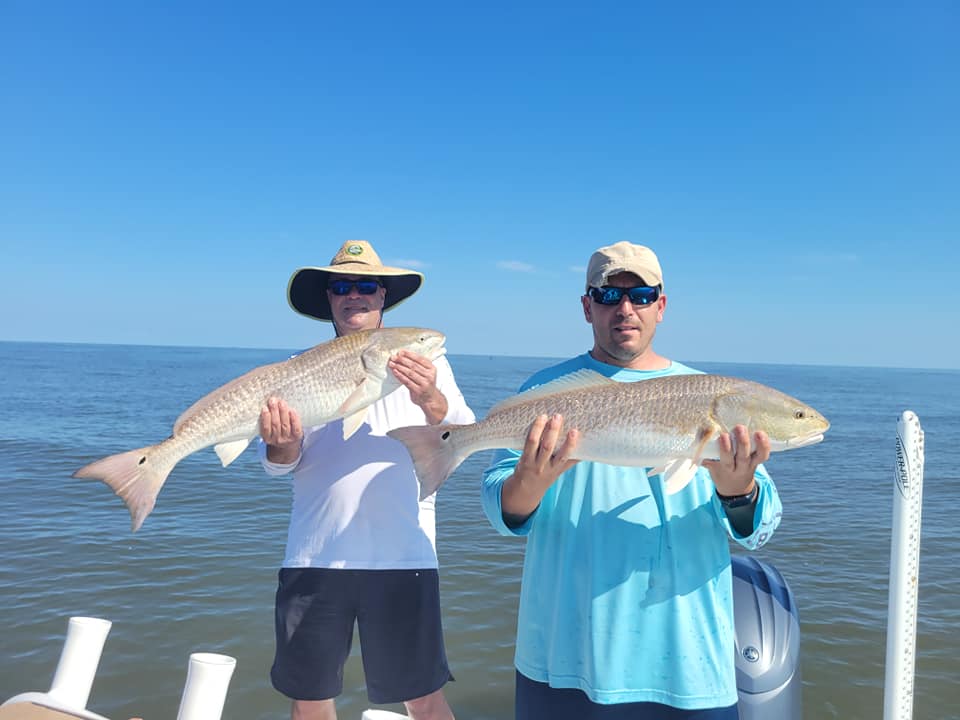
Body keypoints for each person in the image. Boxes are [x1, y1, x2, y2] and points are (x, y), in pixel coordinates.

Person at [480, 241, 783, 719]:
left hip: (688, 667)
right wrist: (530, 483)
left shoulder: (713, 397)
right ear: (587, 307)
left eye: (641, 296)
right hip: (563, 656)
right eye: (607, 295)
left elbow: (760, 527)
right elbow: (502, 511)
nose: (626, 309)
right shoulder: (542, 393)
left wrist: (737, 491)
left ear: (660, 306)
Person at [259, 240, 475, 720]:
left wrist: (430, 399)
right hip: (315, 556)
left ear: (383, 296)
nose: (353, 294)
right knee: (310, 695)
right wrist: (281, 441)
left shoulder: (430, 364)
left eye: (365, 285)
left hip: (404, 557)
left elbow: (458, 436)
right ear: (328, 298)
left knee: (422, 696)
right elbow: (279, 464)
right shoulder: (298, 368)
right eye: (341, 285)